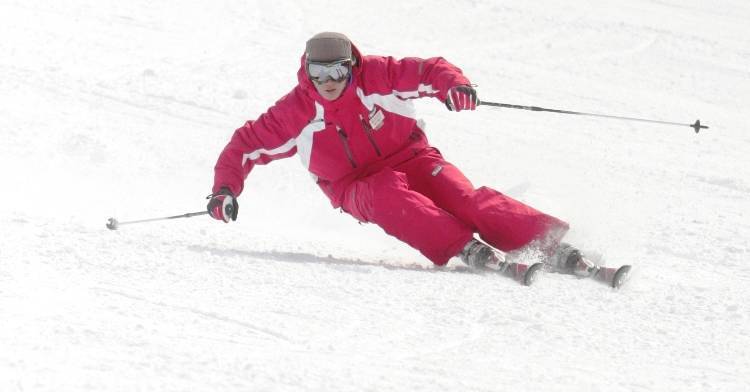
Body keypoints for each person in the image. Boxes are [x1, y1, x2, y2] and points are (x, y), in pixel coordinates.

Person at [207, 32, 597, 279]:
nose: (327, 84)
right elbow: (244, 145)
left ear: (352, 68)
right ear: (305, 73)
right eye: (318, 74)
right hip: (354, 186)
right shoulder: (297, 111)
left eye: (337, 73)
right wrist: (225, 190)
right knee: (389, 196)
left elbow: (429, 70)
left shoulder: (377, 76)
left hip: (413, 157)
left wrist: (454, 86)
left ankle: (550, 242)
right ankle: (462, 245)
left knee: (464, 200)